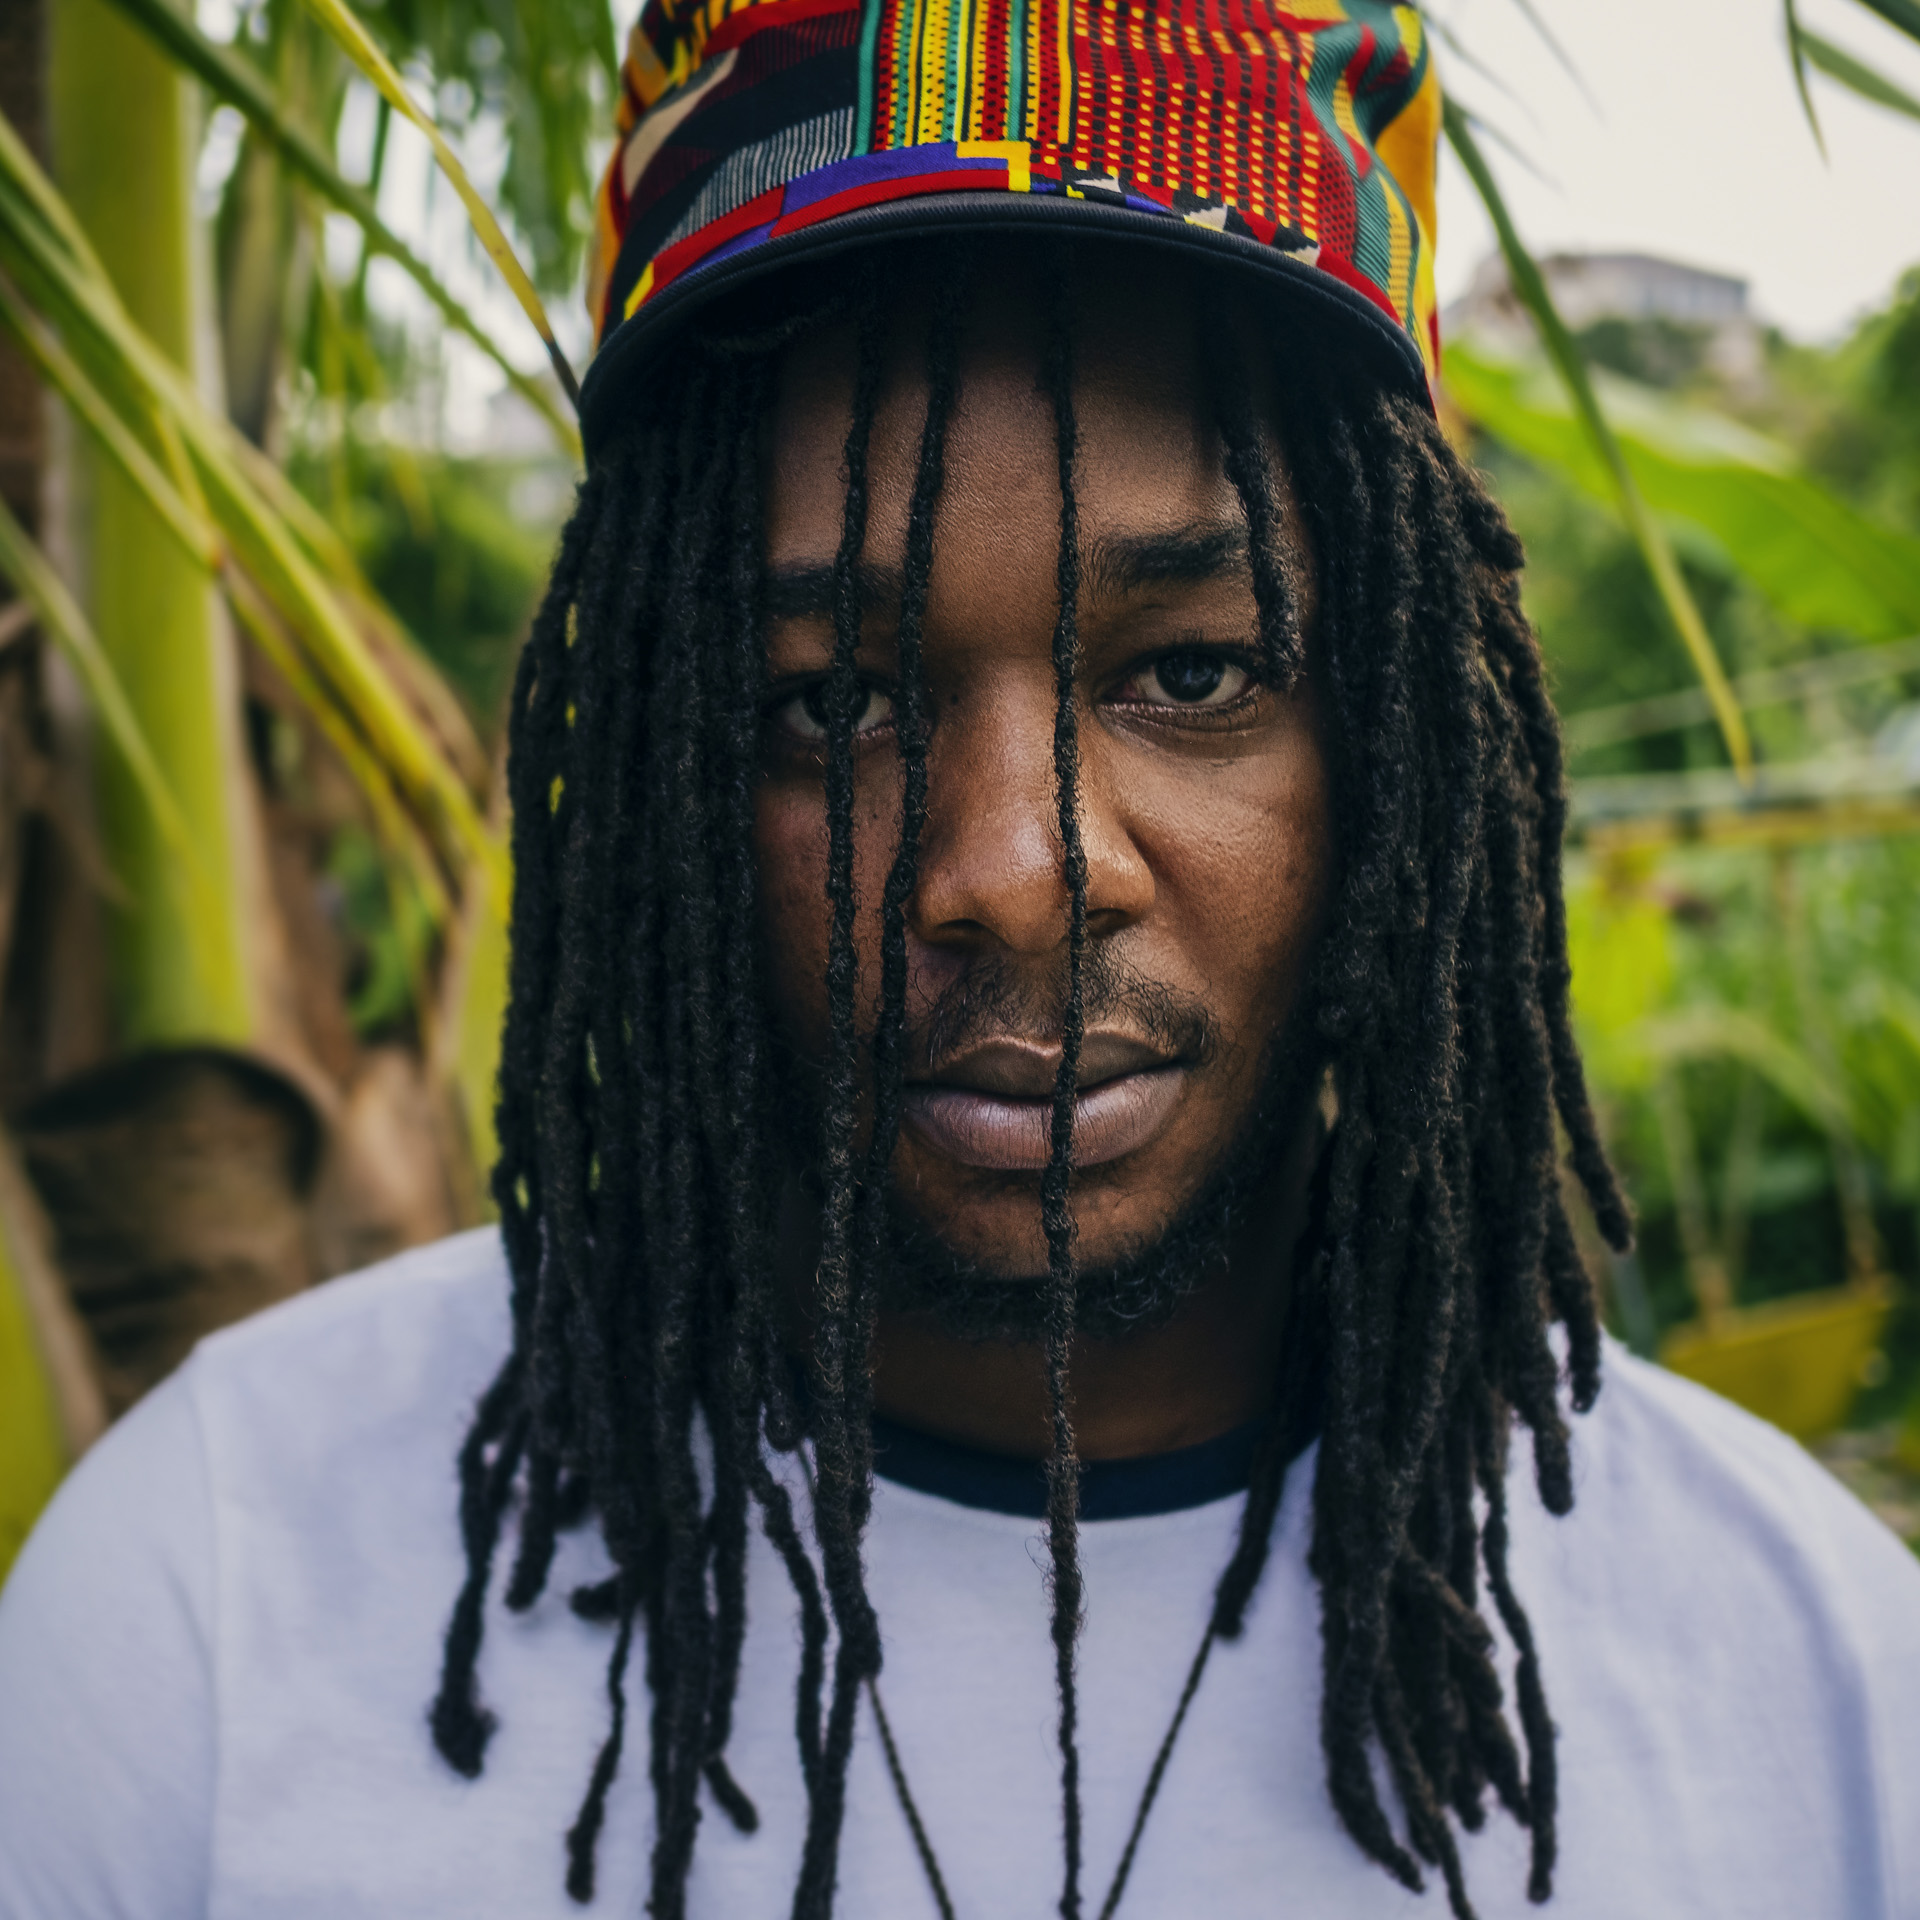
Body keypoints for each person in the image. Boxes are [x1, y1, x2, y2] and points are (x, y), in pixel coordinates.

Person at [3, 4, 1919, 1918]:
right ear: (669, 754)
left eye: (1193, 674)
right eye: (832, 704)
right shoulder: (206, 1618)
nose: (1013, 869)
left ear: (1399, 741)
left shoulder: (1822, 1695)